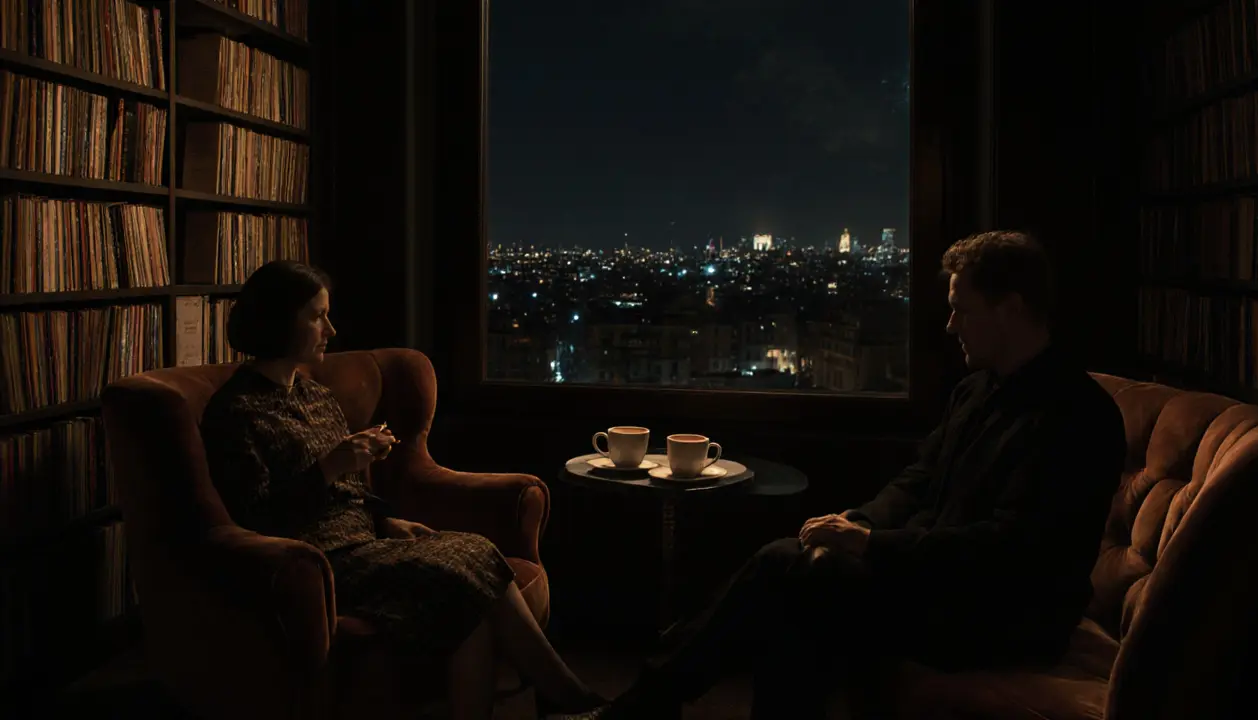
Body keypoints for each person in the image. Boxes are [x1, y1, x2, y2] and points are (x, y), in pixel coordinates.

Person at [594, 231, 1128, 719]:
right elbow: (918, 480)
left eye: (961, 311)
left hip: (1003, 614)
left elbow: (1010, 550)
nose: (950, 326)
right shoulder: (977, 391)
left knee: (799, 575)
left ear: (1010, 310)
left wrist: (870, 543)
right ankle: (650, 702)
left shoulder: (1077, 416)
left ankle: (646, 701)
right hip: (939, 581)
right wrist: (854, 520)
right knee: (797, 572)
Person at [199, 260, 605, 720]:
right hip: (318, 563)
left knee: (472, 579)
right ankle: (570, 699)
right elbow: (256, 516)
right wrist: (329, 467)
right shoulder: (236, 412)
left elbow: (350, 493)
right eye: (317, 316)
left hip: (362, 542)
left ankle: (564, 700)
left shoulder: (315, 395)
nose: (330, 329)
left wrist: (384, 520)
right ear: (279, 321)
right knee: (470, 561)